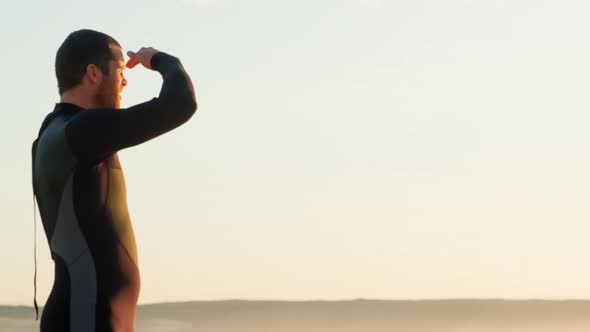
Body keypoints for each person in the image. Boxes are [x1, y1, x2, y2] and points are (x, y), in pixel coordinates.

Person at [31, 29, 197, 331]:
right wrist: (161, 60)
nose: (125, 81)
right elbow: (179, 104)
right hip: (86, 317)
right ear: (93, 73)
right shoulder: (81, 131)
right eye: (120, 70)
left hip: (87, 314)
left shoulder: (55, 130)